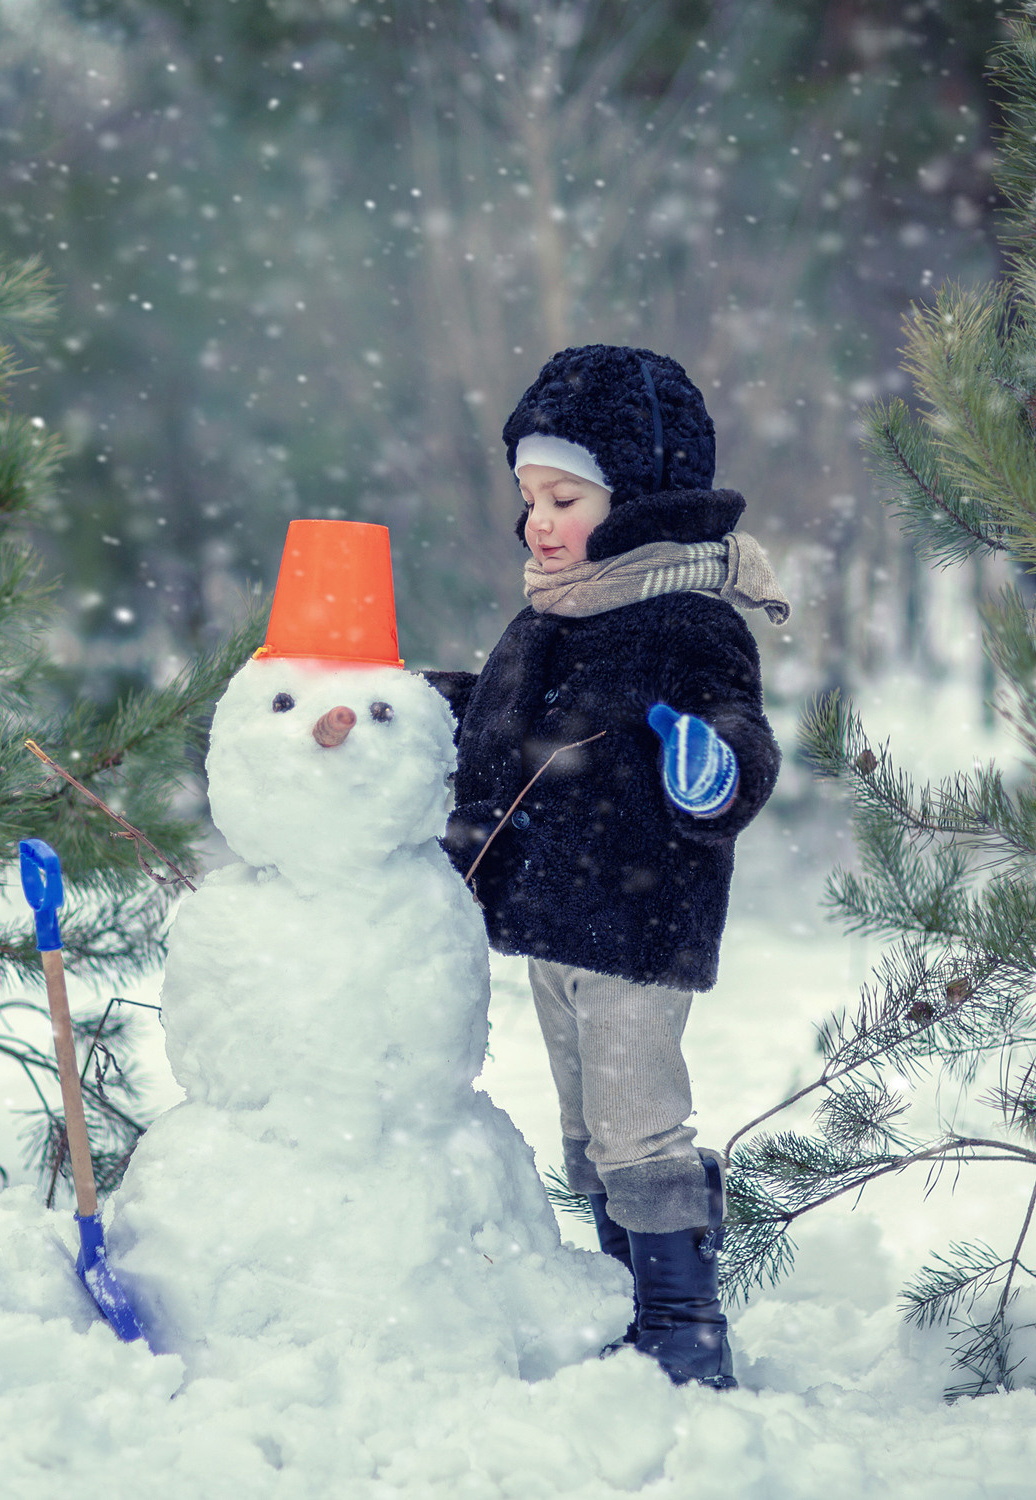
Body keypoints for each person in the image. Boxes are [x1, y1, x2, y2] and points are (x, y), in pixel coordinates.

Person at [424, 344, 788, 1391]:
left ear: (636, 498)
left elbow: (738, 727)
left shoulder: (686, 618)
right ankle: (633, 1291)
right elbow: (500, 726)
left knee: (637, 1123)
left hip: (638, 917)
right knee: (586, 1125)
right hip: (556, 918)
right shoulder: (555, 609)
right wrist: (411, 705)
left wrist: (716, 768)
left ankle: (685, 1328)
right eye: (529, 498)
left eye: (565, 498)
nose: (538, 522)